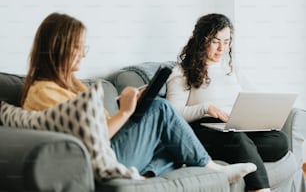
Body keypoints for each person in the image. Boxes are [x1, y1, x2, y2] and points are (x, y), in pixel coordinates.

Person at [20, 12, 257, 183]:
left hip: (108, 146)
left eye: (84, 48)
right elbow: (90, 138)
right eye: (78, 47)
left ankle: (144, 175)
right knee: (161, 108)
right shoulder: (43, 92)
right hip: (96, 156)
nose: (83, 55)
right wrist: (124, 112)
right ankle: (215, 170)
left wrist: (126, 106)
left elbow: (95, 123)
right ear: (58, 48)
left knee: (172, 143)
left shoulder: (73, 86)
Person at [166, 13, 289, 192]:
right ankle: (260, 189)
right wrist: (205, 108)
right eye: (215, 41)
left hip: (235, 125)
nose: (221, 48)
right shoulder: (182, 71)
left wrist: (269, 108)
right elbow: (172, 113)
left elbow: (253, 93)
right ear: (201, 40)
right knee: (237, 139)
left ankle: (241, 153)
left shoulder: (231, 66)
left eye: (227, 41)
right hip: (204, 129)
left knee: (279, 140)